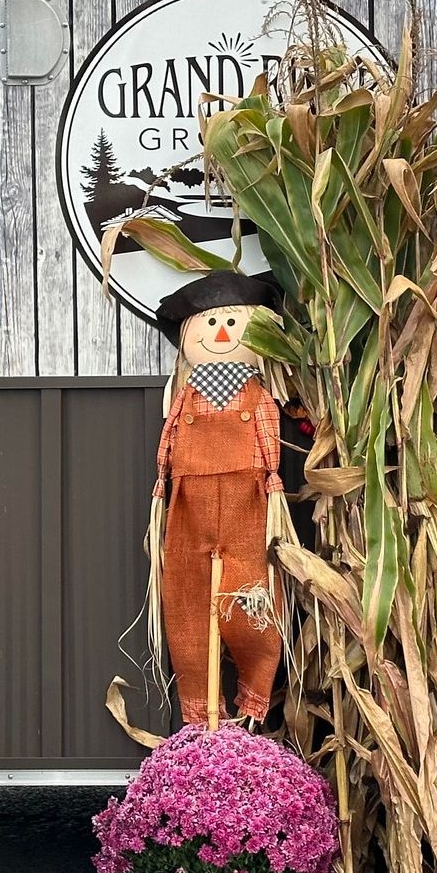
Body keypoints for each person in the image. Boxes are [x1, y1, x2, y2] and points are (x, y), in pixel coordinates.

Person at [148, 272, 290, 727]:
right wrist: (161, 489)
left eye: (232, 321)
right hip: (189, 500)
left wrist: (272, 484)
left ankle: (253, 697)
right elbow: (169, 439)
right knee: (186, 599)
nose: (222, 332)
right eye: (210, 323)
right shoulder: (183, 394)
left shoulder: (259, 394)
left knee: (252, 600)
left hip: (248, 500)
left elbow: (269, 438)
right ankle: (201, 707)